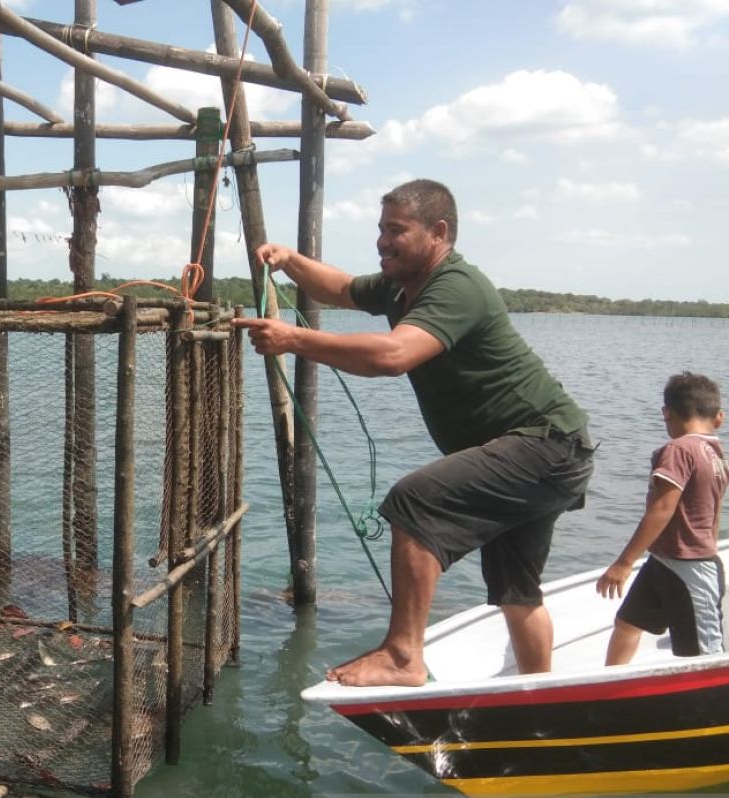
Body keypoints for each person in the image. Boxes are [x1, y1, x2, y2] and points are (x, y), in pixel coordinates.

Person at [232, 178, 594, 687]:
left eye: (396, 230)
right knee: (516, 590)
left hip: (544, 444)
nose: (382, 241)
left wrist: (294, 339)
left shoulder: (456, 286)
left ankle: (404, 656)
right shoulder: (401, 285)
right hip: (551, 452)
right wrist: (289, 260)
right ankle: (539, 695)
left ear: (438, 232)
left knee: (415, 502)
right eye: (381, 229)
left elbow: (394, 355)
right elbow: (338, 288)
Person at [596, 372, 728, 665]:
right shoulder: (716, 454)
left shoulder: (678, 449)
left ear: (666, 413)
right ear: (719, 418)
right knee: (628, 623)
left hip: (690, 568)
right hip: (665, 559)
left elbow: (662, 508)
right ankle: (611, 687)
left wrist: (624, 562)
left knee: (703, 658)